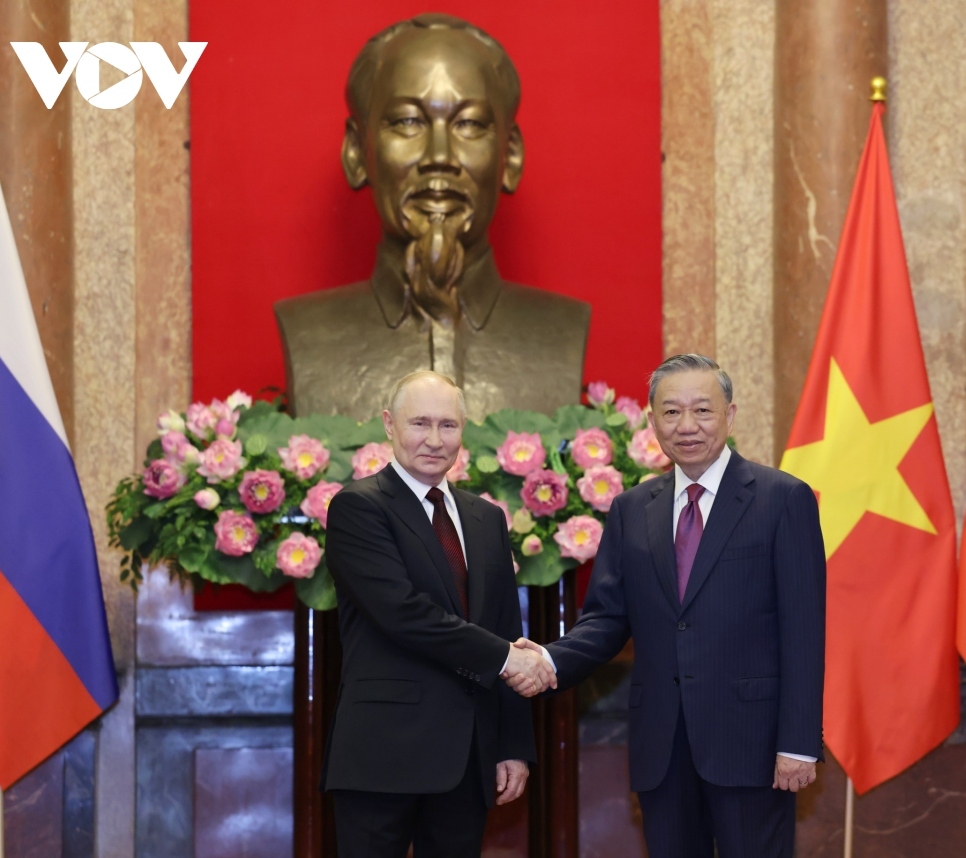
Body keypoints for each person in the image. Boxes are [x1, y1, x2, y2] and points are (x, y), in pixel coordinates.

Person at [510, 354, 826, 857]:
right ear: (653, 421)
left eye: (703, 410)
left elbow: (804, 630)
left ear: (730, 414)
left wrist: (798, 742)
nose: (688, 426)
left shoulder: (781, 498)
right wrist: (548, 660)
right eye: (672, 412)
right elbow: (608, 619)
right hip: (662, 745)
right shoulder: (633, 509)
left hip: (753, 744)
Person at [275, 13, 590, 423]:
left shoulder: (562, 330)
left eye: (469, 124)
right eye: (408, 122)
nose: (439, 156)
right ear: (357, 151)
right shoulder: (308, 333)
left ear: (510, 156)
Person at [323, 370, 555, 858]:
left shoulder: (486, 518)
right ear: (389, 425)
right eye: (419, 424)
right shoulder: (358, 508)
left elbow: (506, 630)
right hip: (382, 754)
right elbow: (404, 614)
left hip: (467, 756)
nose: (434, 440)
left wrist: (512, 743)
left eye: (448, 426)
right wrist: (507, 660)